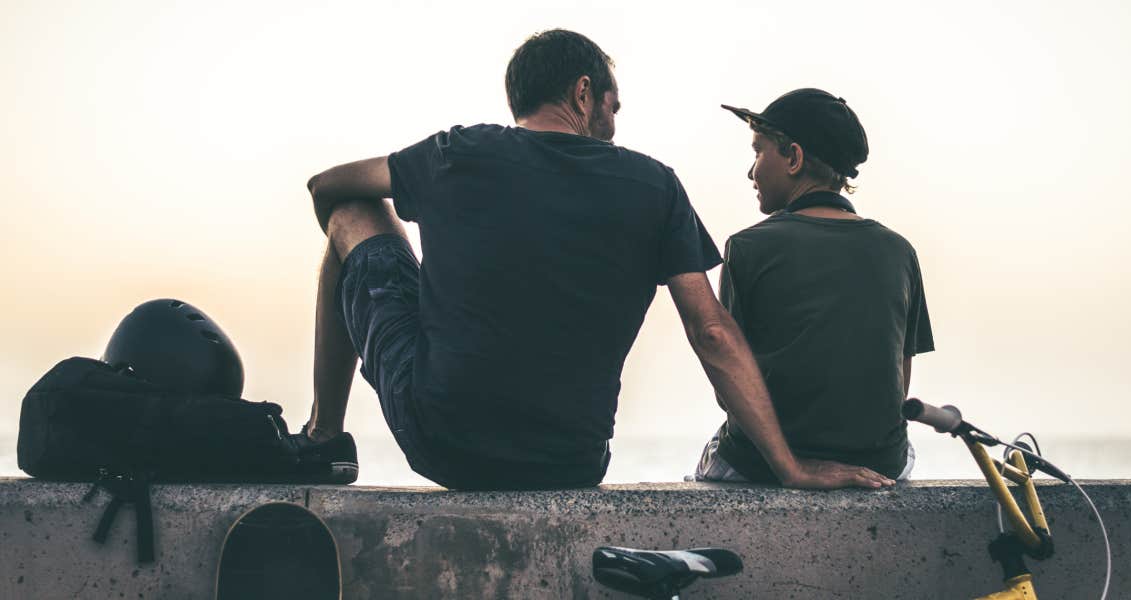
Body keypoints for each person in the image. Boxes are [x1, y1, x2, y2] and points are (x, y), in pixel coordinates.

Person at [298, 30, 893, 490]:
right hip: (572, 460)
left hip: (442, 443)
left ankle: (324, 436)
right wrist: (789, 466)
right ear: (584, 93)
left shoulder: (458, 153)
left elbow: (328, 187)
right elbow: (711, 332)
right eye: (614, 103)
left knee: (353, 213)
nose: (615, 119)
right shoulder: (654, 185)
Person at [694, 89, 935, 484]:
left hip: (764, 463)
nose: (750, 172)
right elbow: (896, 383)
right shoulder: (899, 251)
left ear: (793, 158)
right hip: (881, 465)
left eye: (758, 152)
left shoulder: (749, 247)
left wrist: (794, 461)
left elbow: (730, 393)